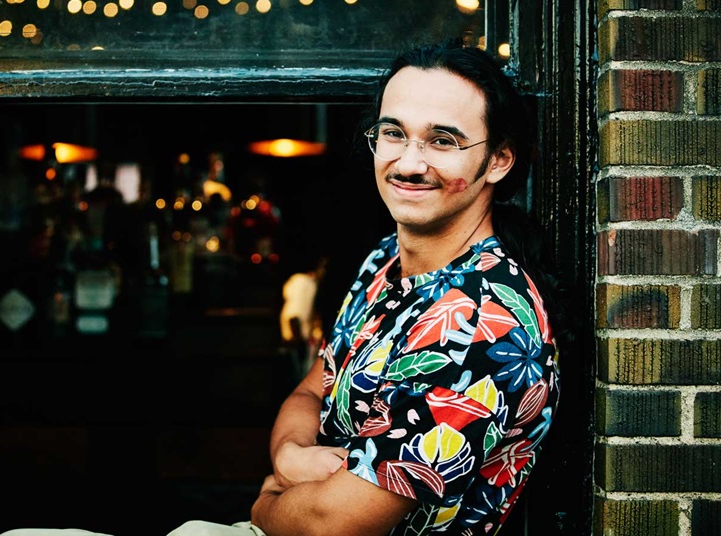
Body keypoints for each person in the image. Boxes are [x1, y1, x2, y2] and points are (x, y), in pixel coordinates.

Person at [167, 38, 566, 536]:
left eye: (443, 140)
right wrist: (290, 457)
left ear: (499, 161)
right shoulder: (386, 259)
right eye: (394, 133)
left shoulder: (483, 323)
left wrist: (267, 501)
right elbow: (311, 389)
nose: (409, 163)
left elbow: (331, 526)